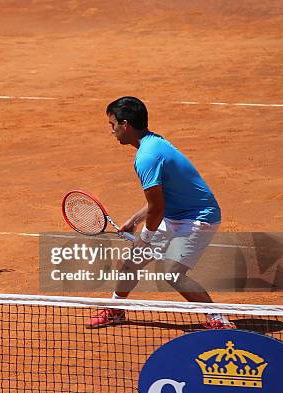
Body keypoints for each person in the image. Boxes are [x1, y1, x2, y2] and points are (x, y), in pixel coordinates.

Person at [87, 96, 234, 329]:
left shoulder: (147, 156)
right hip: (175, 213)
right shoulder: (153, 142)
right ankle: (115, 310)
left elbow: (158, 208)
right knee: (131, 262)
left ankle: (218, 319)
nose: (112, 131)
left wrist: (144, 238)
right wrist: (134, 221)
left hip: (198, 216)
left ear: (125, 125)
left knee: (172, 272)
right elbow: (161, 200)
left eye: (112, 125)